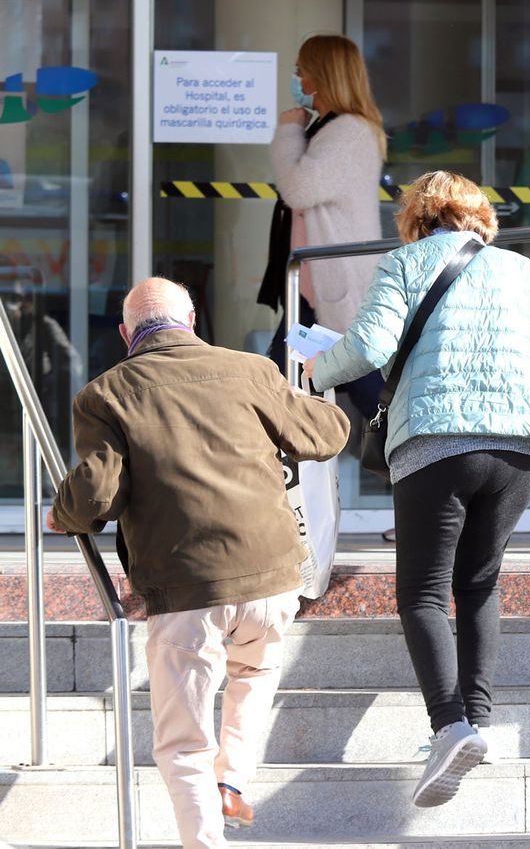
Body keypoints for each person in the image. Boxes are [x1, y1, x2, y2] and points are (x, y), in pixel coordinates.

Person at [305, 171, 530, 809]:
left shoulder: (405, 262)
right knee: (479, 584)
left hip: (436, 441)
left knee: (424, 593)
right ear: (480, 218)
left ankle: (449, 726)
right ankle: (477, 725)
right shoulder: (522, 272)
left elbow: (371, 347)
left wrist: (310, 370)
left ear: (417, 218)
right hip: (519, 451)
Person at [47, 278, 350, 849]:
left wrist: (62, 514)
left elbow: (94, 498)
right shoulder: (251, 370)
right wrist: (312, 386)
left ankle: (205, 842)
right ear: (191, 321)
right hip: (272, 578)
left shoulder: (106, 393)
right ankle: (232, 779)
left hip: (186, 588)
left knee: (183, 741)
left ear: (125, 334)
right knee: (255, 672)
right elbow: (325, 435)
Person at [261, 33, 386, 416]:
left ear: (320, 75)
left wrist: (288, 129)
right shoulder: (331, 128)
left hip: (333, 287)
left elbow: (298, 189)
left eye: (301, 69)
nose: (296, 78)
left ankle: (409, 461)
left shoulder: (348, 131)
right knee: (283, 388)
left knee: (361, 387)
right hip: (315, 284)